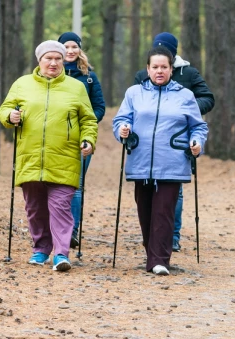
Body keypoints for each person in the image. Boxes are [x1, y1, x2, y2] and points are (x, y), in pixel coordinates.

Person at [0, 40, 98, 272]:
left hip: (64, 157)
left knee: (61, 205)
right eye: (48, 58)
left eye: (58, 59)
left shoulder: (76, 87)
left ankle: (61, 253)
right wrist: (10, 116)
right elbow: (5, 109)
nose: (53, 63)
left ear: (64, 61)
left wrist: (88, 140)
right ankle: (41, 249)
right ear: (39, 61)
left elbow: (88, 119)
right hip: (30, 157)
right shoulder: (22, 84)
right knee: (34, 207)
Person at [114, 46, 208, 276]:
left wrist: (196, 143)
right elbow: (121, 119)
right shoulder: (134, 93)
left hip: (172, 162)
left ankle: (160, 260)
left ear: (171, 69)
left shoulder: (185, 95)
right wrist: (123, 130)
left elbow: (198, 126)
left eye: (164, 67)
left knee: (164, 212)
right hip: (141, 161)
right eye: (154, 67)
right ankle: (152, 253)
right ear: (147, 69)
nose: (159, 71)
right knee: (145, 212)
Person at [134, 32, 214, 253]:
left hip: (178, 142)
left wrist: (186, 110)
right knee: (147, 193)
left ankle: (173, 236)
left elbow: (208, 97)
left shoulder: (188, 73)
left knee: (173, 192)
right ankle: (152, 236)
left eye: (166, 54)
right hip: (148, 147)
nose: (159, 69)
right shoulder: (142, 75)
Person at [57, 31, 106, 249]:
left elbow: (99, 107)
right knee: (55, 185)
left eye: (74, 47)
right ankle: (55, 227)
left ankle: (72, 231)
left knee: (75, 186)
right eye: (66, 47)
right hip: (55, 140)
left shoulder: (89, 77)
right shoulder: (50, 73)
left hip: (81, 140)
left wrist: (84, 124)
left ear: (80, 49)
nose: (70, 51)